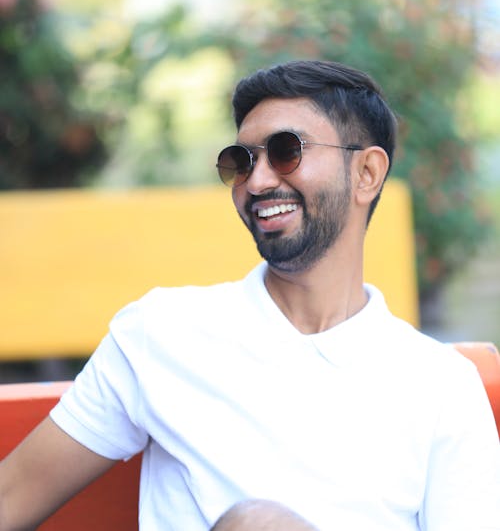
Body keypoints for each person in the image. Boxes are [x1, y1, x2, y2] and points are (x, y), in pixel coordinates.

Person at [0, 59, 499, 531]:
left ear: (365, 173)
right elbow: (11, 497)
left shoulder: (441, 387)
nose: (257, 181)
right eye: (240, 161)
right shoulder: (162, 333)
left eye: (287, 151)